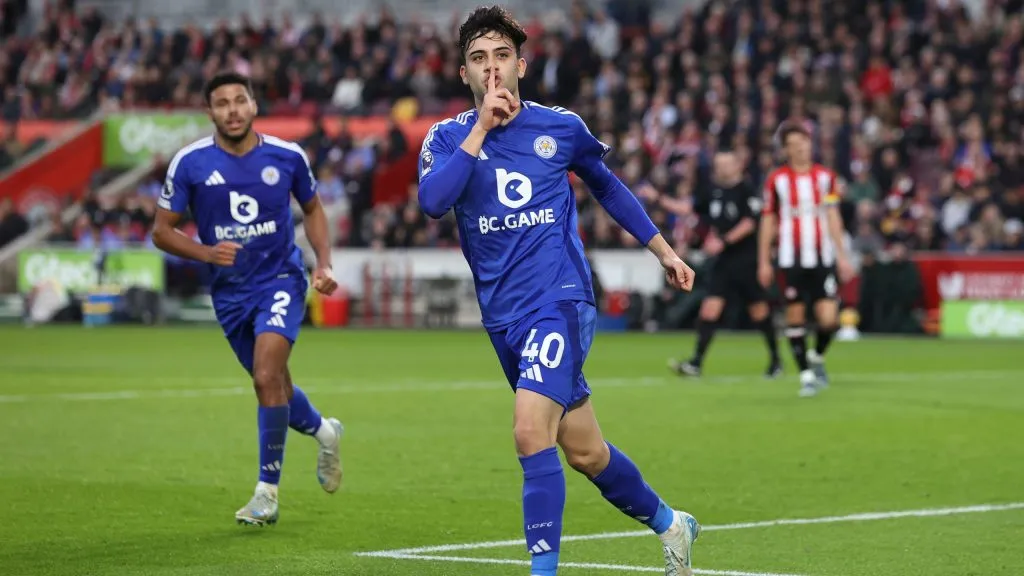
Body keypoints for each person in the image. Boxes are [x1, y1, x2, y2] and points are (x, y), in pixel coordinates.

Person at [417, 7, 700, 576]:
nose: (492, 69)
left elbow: (609, 187)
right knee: (585, 451)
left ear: (521, 64)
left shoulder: (560, 127)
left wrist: (664, 251)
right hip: (503, 317)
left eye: (502, 56)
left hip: (561, 301)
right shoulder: (447, 138)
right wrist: (480, 130)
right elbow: (432, 202)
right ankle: (673, 525)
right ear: (464, 75)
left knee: (528, 431)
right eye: (478, 59)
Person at [151, 72, 344, 526]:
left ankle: (266, 493)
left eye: (240, 100)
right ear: (210, 112)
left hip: (281, 278)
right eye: (222, 103)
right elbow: (161, 229)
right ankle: (326, 431)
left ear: (254, 105)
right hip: (230, 293)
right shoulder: (191, 163)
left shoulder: (287, 156)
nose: (232, 110)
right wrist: (204, 253)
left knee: (264, 376)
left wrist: (324, 263)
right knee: (275, 384)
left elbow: (313, 208)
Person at [757, 121, 854, 397]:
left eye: (804, 144)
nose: (801, 149)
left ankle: (817, 357)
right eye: (794, 145)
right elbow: (768, 220)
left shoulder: (826, 177)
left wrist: (842, 255)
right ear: (786, 150)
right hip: (790, 259)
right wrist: (763, 260)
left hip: (822, 257)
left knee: (829, 319)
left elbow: (833, 216)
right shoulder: (776, 180)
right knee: (795, 316)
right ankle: (806, 375)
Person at [669, 151, 781, 378]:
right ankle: (696, 363)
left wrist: (723, 240)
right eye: (718, 164)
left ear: (737, 165)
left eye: (726, 163)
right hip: (723, 262)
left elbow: (750, 222)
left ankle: (776, 360)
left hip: (746, 260)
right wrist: (658, 198)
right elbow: (690, 209)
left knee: (759, 311)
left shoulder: (747, 189)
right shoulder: (712, 191)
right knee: (709, 310)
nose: (721, 168)